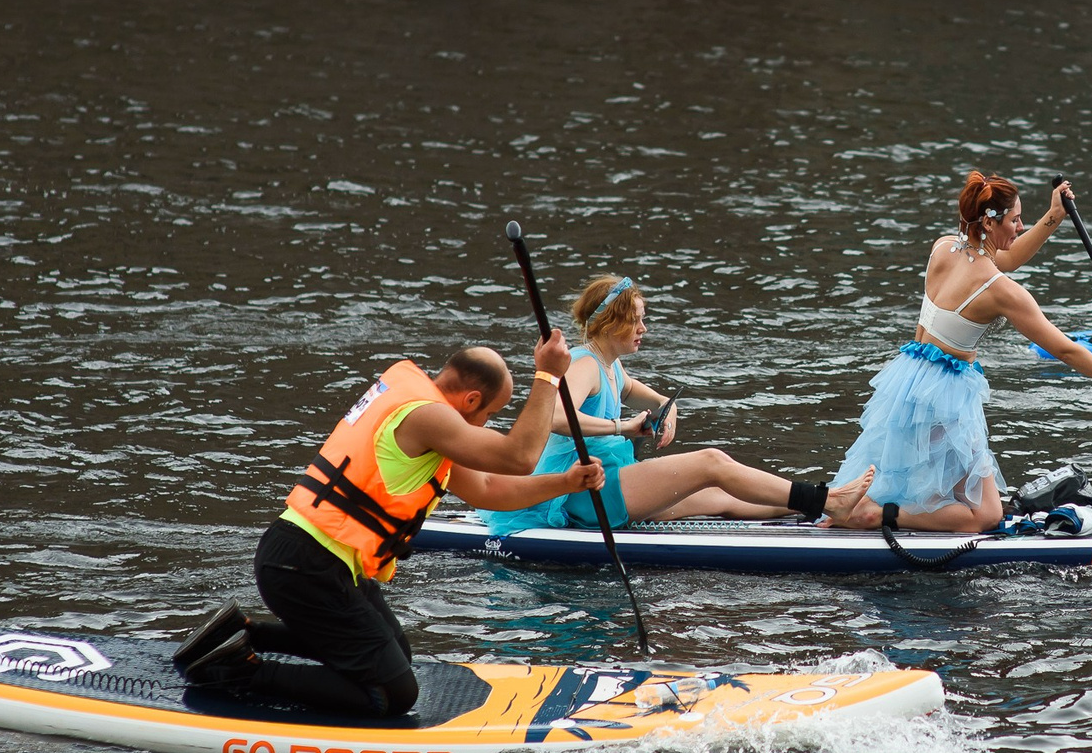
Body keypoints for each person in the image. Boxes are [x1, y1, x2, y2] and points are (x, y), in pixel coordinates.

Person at [176, 339, 603, 718]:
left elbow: (489, 489)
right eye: (491, 414)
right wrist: (547, 375)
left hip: (312, 560)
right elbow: (519, 456)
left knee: (398, 653)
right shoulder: (428, 418)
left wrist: (564, 482)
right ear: (471, 400)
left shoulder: (420, 409)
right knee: (392, 693)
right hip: (307, 566)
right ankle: (235, 672)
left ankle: (244, 633)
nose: (488, 424)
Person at [830, 174, 1092, 535]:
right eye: (1014, 221)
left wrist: (1054, 216)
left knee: (910, 479)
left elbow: (1004, 257)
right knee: (985, 516)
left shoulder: (944, 248)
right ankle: (879, 516)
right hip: (945, 394)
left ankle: (844, 505)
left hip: (909, 377)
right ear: (990, 222)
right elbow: (1063, 349)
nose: (1020, 227)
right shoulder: (1001, 291)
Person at [479, 276, 874, 531]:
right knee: (710, 462)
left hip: (607, 485)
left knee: (721, 497)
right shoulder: (584, 364)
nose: (643, 329)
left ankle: (828, 508)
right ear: (612, 322)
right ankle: (829, 500)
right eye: (636, 320)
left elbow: (642, 392)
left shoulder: (610, 365)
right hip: (584, 494)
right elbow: (557, 418)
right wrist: (624, 427)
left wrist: (667, 405)